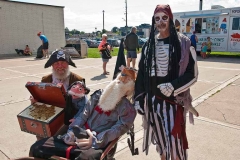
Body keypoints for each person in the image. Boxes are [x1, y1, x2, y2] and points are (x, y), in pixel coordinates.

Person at [28, 66, 137, 160]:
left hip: (95, 142)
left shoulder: (128, 109)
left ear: (131, 86)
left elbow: (119, 129)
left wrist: (95, 140)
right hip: (78, 133)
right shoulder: (99, 94)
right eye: (122, 75)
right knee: (37, 147)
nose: (122, 80)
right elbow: (84, 113)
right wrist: (72, 131)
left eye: (128, 79)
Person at [134, 4, 198, 160]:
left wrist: (173, 86)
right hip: (152, 103)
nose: (161, 22)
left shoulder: (183, 43)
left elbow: (193, 74)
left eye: (164, 18)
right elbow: (142, 75)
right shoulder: (148, 46)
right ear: (153, 21)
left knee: (176, 146)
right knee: (161, 145)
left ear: (170, 19)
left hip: (173, 104)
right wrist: (138, 99)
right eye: (157, 18)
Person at [30, 49, 86, 140]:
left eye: (63, 62)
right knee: (41, 134)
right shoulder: (46, 80)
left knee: (59, 139)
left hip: (69, 117)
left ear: (68, 63)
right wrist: (35, 101)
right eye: (56, 63)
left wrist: (78, 119)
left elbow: (83, 105)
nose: (60, 66)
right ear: (52, 65)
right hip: (51, 114)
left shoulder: (78, 80)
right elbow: (42, 99)